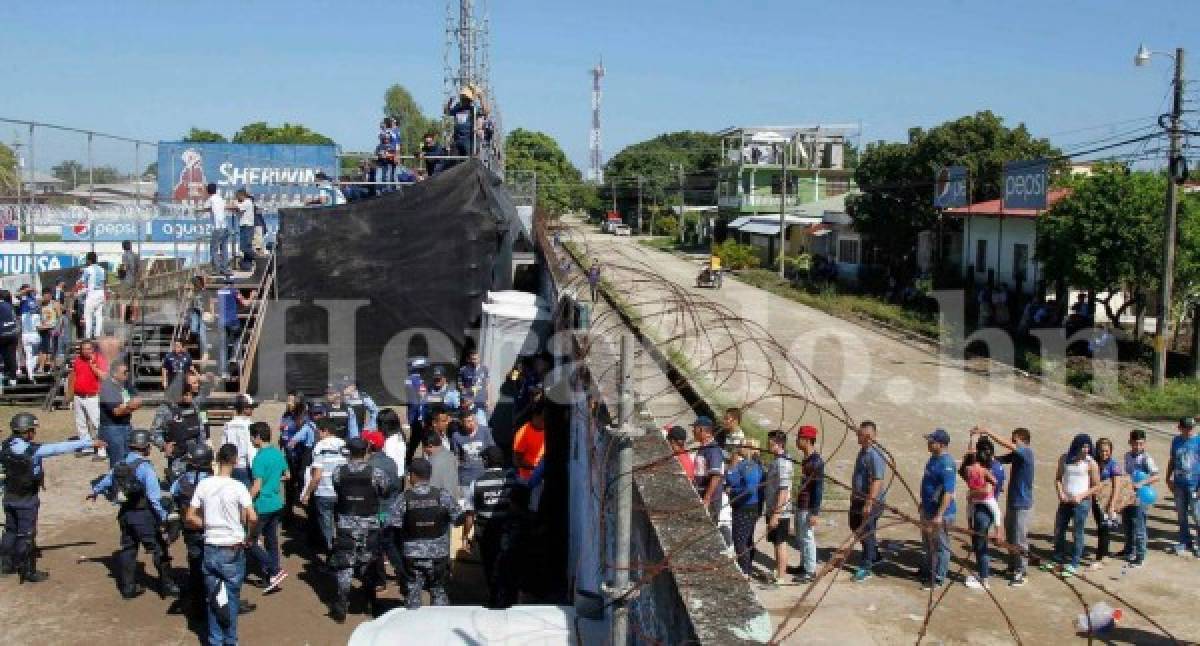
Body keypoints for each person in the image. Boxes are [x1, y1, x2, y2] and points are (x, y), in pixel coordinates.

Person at [0, 413, 100, 581]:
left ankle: (5, 564)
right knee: (26, 535)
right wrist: (88, 443)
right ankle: (28, 571)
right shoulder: (33, 450)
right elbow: (58, 448)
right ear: (27, 432)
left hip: (9, 497)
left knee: (10, 531)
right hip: (27, 499)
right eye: (32, 430)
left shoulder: (4, 446)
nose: (34, 433)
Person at [89, 429, 178, 599]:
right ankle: (167, 585)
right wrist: (164, 517)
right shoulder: (146, 469)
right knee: (159, 549)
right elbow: (154, 499)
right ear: (145, 448)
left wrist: (95, 492)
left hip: (125, 515)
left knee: (128, 550)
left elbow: (106, 481)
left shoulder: (120, 464)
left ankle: (128, 588)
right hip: (144, 516)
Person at [185, 443, 257, 646]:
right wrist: (247, 536)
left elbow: (190, 516)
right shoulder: (238, 487)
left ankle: (215, 640)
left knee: (213, 597)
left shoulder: (204, 485)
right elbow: (252, 517)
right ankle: (230, 640)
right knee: (231, 597)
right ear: (235, 460)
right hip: (232, 547)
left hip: (210, 547)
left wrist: (207, 524)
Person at [389, 457, 464, 609]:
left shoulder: (404, 498)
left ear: (413, 475)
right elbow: (459, 519)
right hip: (439, 555)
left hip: (412, 555)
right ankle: (440, 625)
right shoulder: (442, 495)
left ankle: (415, 625)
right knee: (438, 589)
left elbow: (394, 525)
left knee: (413, 592)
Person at [329, 437, 389, 622]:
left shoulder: (339, 472)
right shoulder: (376, 473)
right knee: (369, 564)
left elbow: (337, 488)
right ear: (366, 451)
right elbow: (385, 490)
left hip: (346, 525)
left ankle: (341, 603)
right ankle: (370, 602)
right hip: (369, 525)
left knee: (345, 565)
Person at [462, 446, 522, 608]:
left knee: (490, 565)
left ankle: (495, 597)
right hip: (507, 529)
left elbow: (470, 513)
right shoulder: (512, 479)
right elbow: (520, 504)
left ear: (487, 461)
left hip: (485, 530)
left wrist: (466, 536)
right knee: (508, 563)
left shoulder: (476, 483)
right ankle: (510, 598)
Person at [978, 426, 1034, 586]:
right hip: (1013, 501)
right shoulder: (1017, 455)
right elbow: (1000, 459)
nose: (1011, 442)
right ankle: (1012, 566)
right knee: (1011, 536)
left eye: (1014, 439)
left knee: (1020, 539)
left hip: (1022, 504)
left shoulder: (1027, 452)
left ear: (1023, 441)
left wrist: (988, 431)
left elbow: (1007, 446)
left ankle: (1022, 572)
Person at [1044, 434, 1100, 578]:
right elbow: (1058, 479)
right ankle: (1057, 558)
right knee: (1059, 529)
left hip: (1081, 503)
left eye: (1088, 446)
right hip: (1065, 501)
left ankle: (1074, 563)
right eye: (1084, 446)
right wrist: (1060, 493)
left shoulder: (1091, 463)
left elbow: (1097, 486)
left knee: (1077, 532)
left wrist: (1081, 496)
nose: (1086, 450)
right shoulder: (1065, 459)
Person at [170, 443, 214, 615]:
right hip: (211, 528)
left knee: (195, 565)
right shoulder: (213, 482)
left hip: (190, 528)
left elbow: (173, 496)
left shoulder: (181, 481)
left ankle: (198, 605)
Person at [247, 422, 288, 594]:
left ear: (257, 437)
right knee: (271, 540)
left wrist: (246, 500)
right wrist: (273, 482)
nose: (250, 439)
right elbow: (287, 475)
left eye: (252, 436)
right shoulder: (277, 453)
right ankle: (272, 575)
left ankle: (275, 570)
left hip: (262, 505)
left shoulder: (259, 458)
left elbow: (256, 485)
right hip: (276, 504)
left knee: (250, 542)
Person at [301, 419, 347, 560]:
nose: (317, 435)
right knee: (341, 524)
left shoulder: (320, 446)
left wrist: (307, 493)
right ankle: (343, 551)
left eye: (318, 432)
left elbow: (317, 476)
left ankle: (331, 554)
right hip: (341, 492)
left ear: (325, 431)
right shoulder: (344, 444)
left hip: (325, 492)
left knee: (326, 526)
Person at [919, 429, 957, 589]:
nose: (928, 443)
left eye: (932, 441)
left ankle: (938, 578)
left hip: (940, 514)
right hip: (927, 509)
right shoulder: (933, 459)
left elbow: (948, 493)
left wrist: (939, 515)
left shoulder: (947, 464)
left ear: (941, 444)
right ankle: (928, 570)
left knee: (940, 546)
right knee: (928, 543)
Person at [850, 420, 887, 582]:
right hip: (859, 498)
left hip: (871, 501)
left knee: (867, 531)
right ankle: (875, 555)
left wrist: (869, 503)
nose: (857, 436)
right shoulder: (863, 451)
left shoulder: (875, 455)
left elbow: (877, 480)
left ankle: (866, 566)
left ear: (868, 436)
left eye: (859, 434)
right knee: (854, 524)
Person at [1118, 429, 1158, 566]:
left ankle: (1140, 556)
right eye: (1135, 443)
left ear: (1145, 443)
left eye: (1141, 444)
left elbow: (1156, 476)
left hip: (1141, 496)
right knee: (1127, 523)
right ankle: (1128, 549)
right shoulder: (1127, 456)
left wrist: (1141, 483)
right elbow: (1127, 473)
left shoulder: (1147, 458)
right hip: (1128, 494)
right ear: (1130, 442)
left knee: (1139, 526)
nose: (1138, 446)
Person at [725, 434, 762, 577]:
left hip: (746, 507)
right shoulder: (743, 464)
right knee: (744, 539)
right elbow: (730, 477)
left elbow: (749, 489)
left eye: (743, 445)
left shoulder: (752, 467)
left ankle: (745, 571)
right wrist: (733, 464)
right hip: (741, 506)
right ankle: (746, 568)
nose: (739, 447)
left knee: (740, 541)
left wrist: (732, 490)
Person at [156, 377, 206, 478]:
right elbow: (154, 433)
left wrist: (204, 447)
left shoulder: (194, 406)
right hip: (177, 459)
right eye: (186, 394)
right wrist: (164, 445)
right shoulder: (166, 409)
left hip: (195, 457)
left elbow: (200, 430)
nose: (189, 397)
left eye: (190, 394)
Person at [792, 425, 824, 584]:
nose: (797, 441)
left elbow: (818, 489)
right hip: (801, 503)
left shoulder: (816, 462)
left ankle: (810, 570)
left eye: (799, 438)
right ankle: (803, 566)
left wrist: (815, 512)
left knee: (807, 538)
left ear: (807, 440)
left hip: (807, 506)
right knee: (801, 537)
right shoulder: (807, 459)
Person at [1165, 416, 1200, 557]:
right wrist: (1168, 478)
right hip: (1179, 485)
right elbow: (1172, 459)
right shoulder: (1176, 441)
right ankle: (1185, 541)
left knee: (1197, 515)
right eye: (1187, 427)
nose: (1190, 430)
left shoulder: (1198, 441)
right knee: (1181, 515)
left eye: (1192, 427)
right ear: (1180, 428)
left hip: (1194, 485)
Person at [762, 431, 793, 586]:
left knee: (780, 543)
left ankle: (781, 577)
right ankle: (778, 570)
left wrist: (776, 514)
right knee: (776, 542)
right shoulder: (777, 460)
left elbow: (783, 490)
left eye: (771, 442)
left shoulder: (782, 463)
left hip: (780, 512)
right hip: (774, 509)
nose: (768, 445)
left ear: (779, 444)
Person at [280, 394, 316, 524]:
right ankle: (288, 514)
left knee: (303, 484)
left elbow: (305, 437)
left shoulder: (304, 418)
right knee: (289, 485)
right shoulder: (285, 416)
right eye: (288, 399)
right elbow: (283, 432)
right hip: (289, 456)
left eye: (291, 400)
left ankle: (310, 516)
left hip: (301, 457)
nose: (288, 402)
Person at [98, 362, 141, 468]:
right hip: (112, 429)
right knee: (117, 462)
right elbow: (116, 412)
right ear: (114, 374)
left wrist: (126, 406)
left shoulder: (126, 384)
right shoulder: (107, 388)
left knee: (129, 458)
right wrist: (130, 405)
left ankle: (125, 482)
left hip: (126, 426)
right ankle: (116, 483)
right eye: (125, 372)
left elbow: (138, 400)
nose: (127, 374)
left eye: (128, 371)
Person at [70, 339, 107, 460]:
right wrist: (70, 395)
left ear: (93, 349)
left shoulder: (99, 359)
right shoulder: (77, 360)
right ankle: (87, 447)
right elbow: (74, 376)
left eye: (88, 349)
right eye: (83, 349)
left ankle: (102, 450)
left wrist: (93, 366)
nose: (86, 351)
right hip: (78, 396)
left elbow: (104, 376)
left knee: (97, 424)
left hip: (92, 396)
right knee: (81, 424)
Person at [1090, 437, 1123, 568]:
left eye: (1107, 451)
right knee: (1101, 527)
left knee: (1104, 528)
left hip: (1107, 502)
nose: (1104, 453)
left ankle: (1100, 557)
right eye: (1101, 451)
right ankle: (1104, 554)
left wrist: (1112, 505)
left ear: (1111, 451)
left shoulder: (1114, 465)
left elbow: (1117, 487)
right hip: (1096, 501)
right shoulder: (1094, 462)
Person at [449, 407, 496, 490]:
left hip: (483, 473)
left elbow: (492, 450)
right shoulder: (456, 436)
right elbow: (455, 456)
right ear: (461, 423)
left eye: (473, 420)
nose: (472, 423)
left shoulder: (484, 431)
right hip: (466, 476)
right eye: (468, 421)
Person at [222, 394, 257, 487]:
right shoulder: (250, 426)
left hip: (231, 467)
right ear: (245, 408)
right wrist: (256, 472)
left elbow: (224, 447)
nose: (252, 409)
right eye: (251, 407)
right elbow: (251, 450)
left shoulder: (228, 425)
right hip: (245, 467)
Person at [445, 85, 485, 159]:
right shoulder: (457, 108)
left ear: (470, 100)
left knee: (468, 159)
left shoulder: (473, 109)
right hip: (457, 139)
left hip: (469, 139)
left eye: (466, 99)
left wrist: (481, 98)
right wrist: (449, 102)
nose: (464, 100)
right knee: (454, 160)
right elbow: (447, 112)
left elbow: (485, 111)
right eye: (462, 98)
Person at [423, 432, 462, 503]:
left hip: (440, 503)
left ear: (430, 446)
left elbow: (432, 486)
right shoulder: (452, 456)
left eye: (424, 448)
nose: (424, 451)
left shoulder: (431, 462)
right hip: (453, 500)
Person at [205, 183, 232, 276]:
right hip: (225, 226)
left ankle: (217, 269)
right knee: (224, 248)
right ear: (216, 190)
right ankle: (225, 268)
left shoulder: (211, 199)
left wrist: (199, 210)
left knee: (213, 249)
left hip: (217, 226)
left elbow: (205, 207)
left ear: (208, 191)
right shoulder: (220, 199)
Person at [80, 252, 107, 338]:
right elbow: (103, 283)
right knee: (99, 315)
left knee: (88, 315)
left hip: (92, 294)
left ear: (89, 260)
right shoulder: (102, 270)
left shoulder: (87, 270)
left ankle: (88, 336)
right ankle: (97, 335)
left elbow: (84, 283)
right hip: (101, 293)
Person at [378, 408, 407, 479]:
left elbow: (389, 464)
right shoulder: (399, 435)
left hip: (392, 478)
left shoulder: (390, 442)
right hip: (400, 474)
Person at [188, 275, 212, 363]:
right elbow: (189, 299)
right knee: (194, 330)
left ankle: (205, 352)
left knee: (202, 333)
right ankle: (200, 342)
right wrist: (191, 291)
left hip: (203, 314)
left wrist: (211, 314)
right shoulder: (193, 292)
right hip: (195, 313)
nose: (193, 285)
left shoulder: (205, 292)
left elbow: (210, 304)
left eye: (194, 283)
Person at [233, 189, 256, 270]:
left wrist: (224, 206)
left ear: (242, 195)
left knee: (244, 247)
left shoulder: (247, 202)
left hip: (247, 227)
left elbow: (237, 208)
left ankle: (258, 257)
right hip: (244, 226)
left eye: (237, 196)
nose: (237, 198)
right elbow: (237, 210)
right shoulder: (244, 203)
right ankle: (247, 266)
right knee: (246, 248)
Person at [0, 290, 20, 385]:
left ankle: (4, 372)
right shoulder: (10, 305)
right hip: (13, 333)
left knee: (3, 354)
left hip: (2, 333)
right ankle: (13, 378)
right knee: (11, 354)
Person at [119, 239, 140, 322]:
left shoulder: (124, 255)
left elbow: (124, 267)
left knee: (123, 300)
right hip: (134, 280)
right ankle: (134, 317)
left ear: (123, 247)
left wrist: (120, 274)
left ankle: (122, 319)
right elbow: (138, 269)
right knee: (135, 299)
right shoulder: (136, 255)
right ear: (130, 246)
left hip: (126, 280)